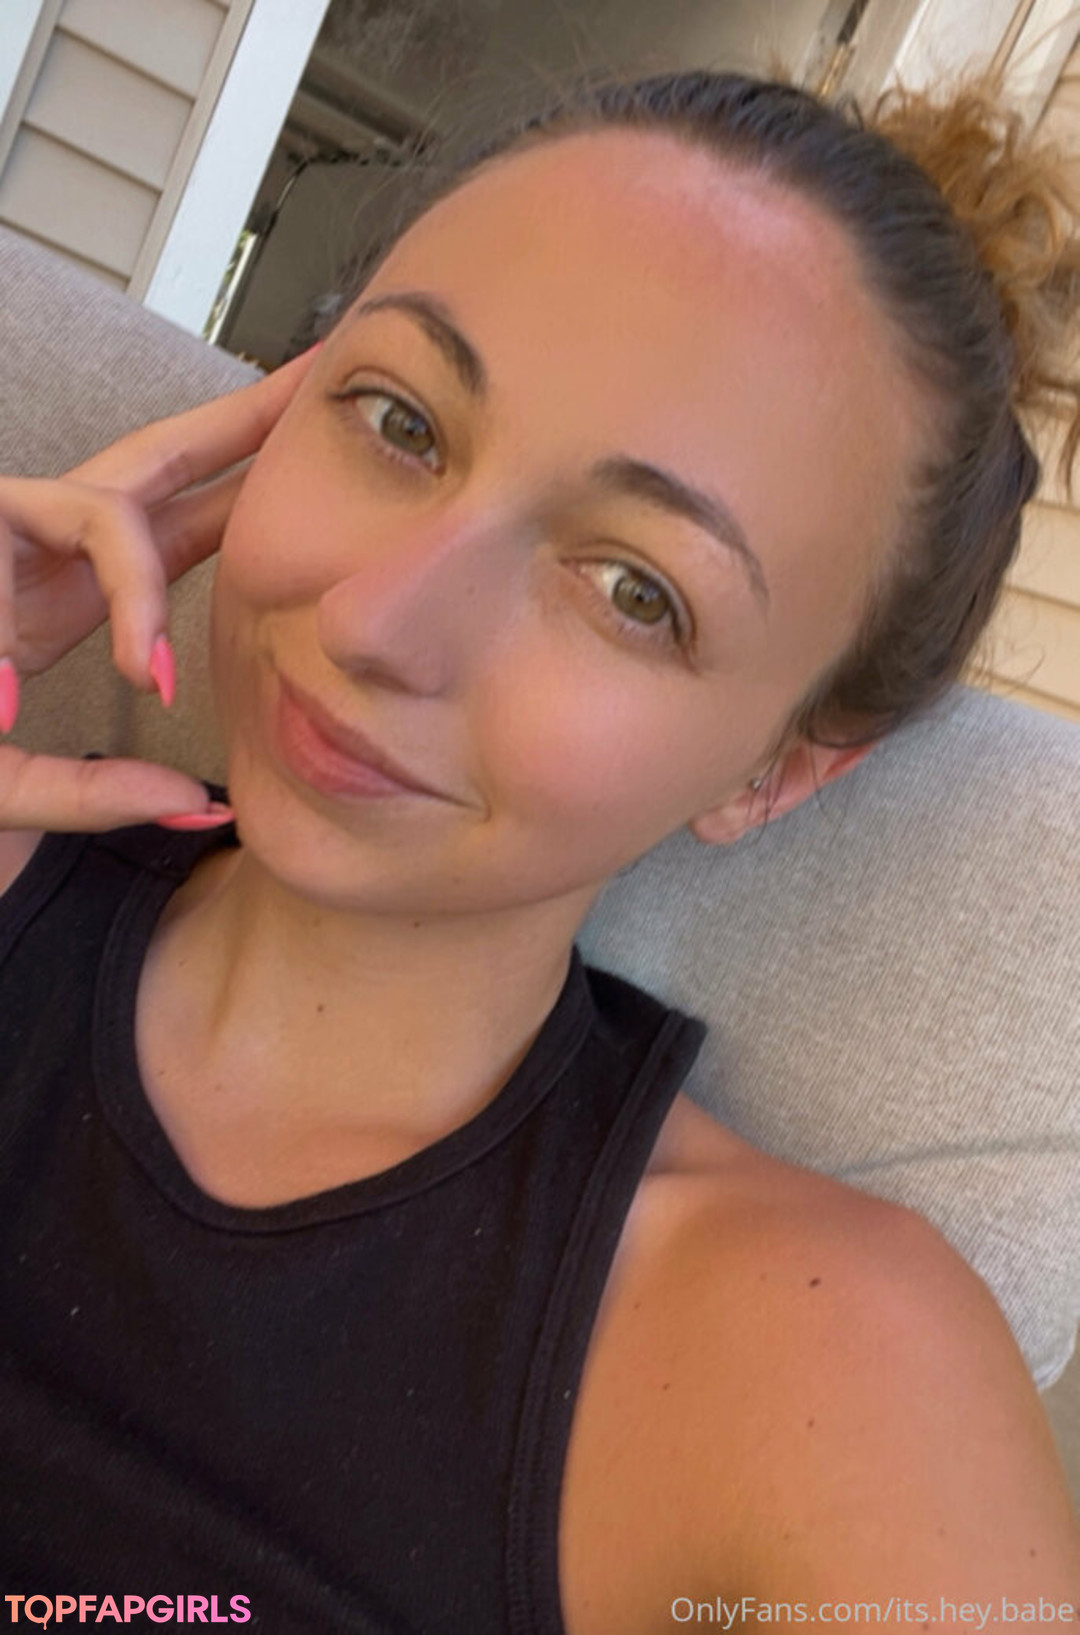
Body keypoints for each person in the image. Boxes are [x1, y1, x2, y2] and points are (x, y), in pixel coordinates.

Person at [1, 61, 1079, 1634]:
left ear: (777, 770)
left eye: (636, 590)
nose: (376, 623)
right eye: (401, 422)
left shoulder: (812, 1369)